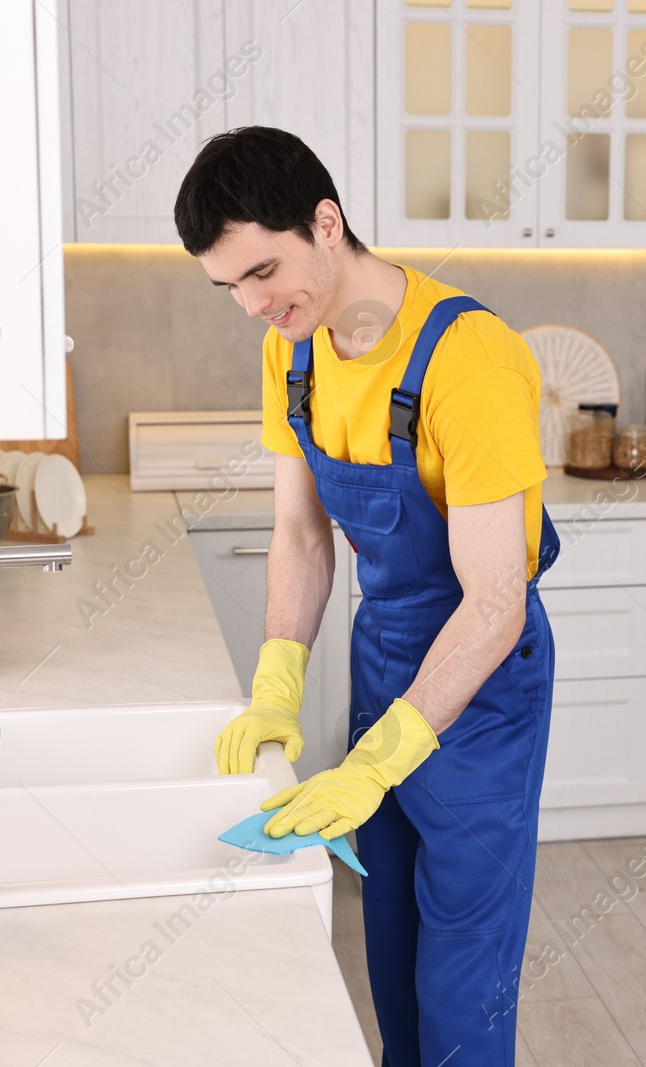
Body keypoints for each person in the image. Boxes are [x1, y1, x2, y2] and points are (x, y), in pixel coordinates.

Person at [175, 126, 556, 1065]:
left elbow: (496, 600)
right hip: (383, 655)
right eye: (232, 287)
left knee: (462, 976)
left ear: (327, 222)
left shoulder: (470, 360)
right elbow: (303, 537)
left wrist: (386, 754)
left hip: (482, 688)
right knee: (386, 943)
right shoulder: (292, 349)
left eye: (264, 270)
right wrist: (275, 683)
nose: (255, 305)